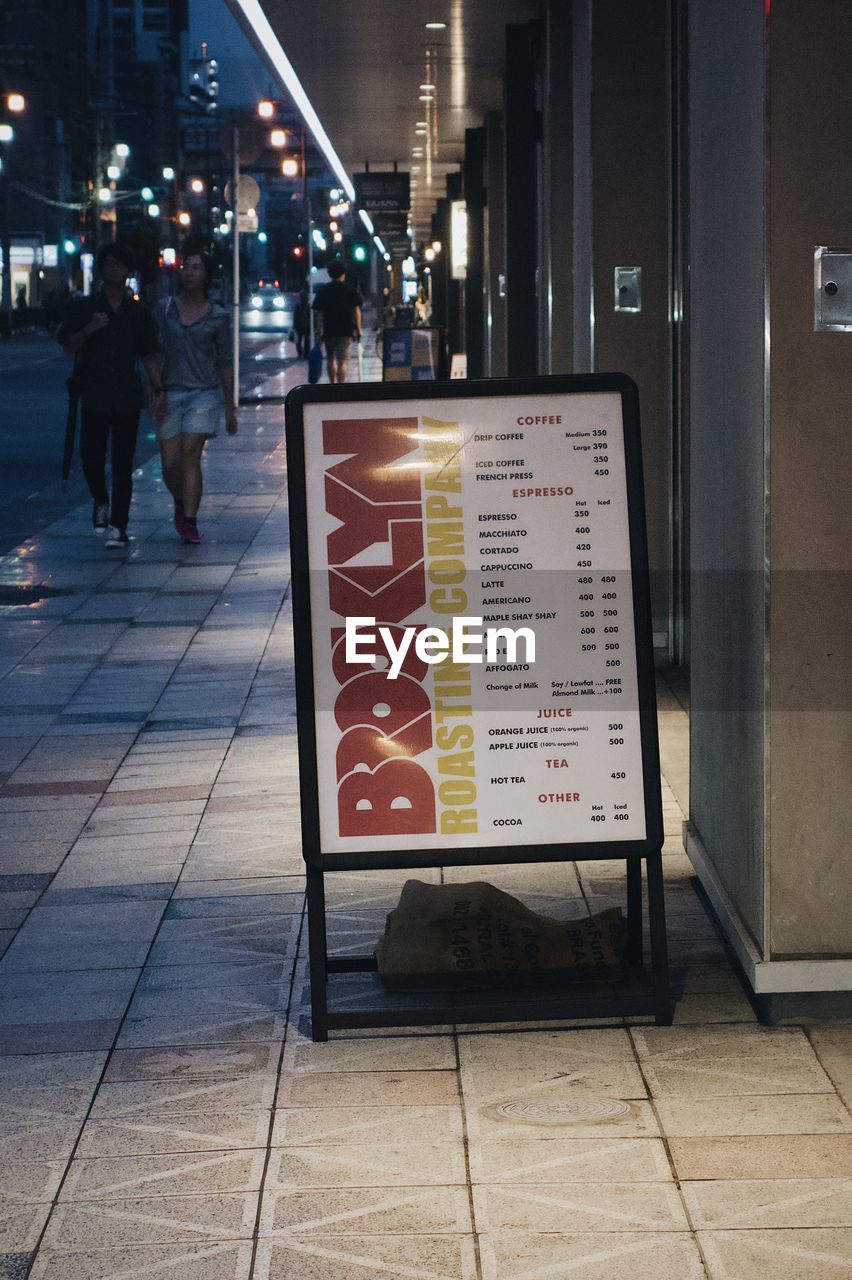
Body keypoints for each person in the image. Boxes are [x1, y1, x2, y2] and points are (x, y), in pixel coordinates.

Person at [57, 241, 162, 550]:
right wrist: (90, 329)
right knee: (90, 458)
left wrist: (159, 390)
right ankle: (100, 500)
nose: (114, 269)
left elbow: (149, 354)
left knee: (122, 462)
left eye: (120, 264)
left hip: (127, 395)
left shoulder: (138, 312)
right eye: (109, 264)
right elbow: (67, 344)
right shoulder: (88, 307)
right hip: (94, 394)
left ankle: (119, 524)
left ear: (128, 271)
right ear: (102, 269)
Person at [153, 247, 237, 545]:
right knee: (168, 463)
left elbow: (225, 361)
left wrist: (229, 407)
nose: (190, 272)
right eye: (187, 267)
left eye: (197, 267)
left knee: (190, 453)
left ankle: (190, 520)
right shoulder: (165, 310)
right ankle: (180, 500)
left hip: (204, 393)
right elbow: (155, 354)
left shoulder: (218, 316)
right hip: (171, 391)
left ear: (206, 275)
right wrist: (156, 391)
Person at [312, 259, 362, 383]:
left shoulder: (324, 290)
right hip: (346, 330)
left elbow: (319, 313)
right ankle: (341, 386)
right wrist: (359, 329)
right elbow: (356, 311)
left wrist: (318, 330)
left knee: (330, 359)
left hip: (329, 330)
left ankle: (333, 385)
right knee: (343, 361)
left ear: (330, 274)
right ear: (343, 273)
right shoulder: (349, 289)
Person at [293, 287, 311, 359]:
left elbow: (295, 316)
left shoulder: (298, 305)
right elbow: (311, 316)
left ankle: (300, 354)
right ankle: (306, 354)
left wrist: (294, 326)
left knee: (298, 341)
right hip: (307, 326)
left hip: (299, 326)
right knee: (307, 341)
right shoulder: (309, 305)